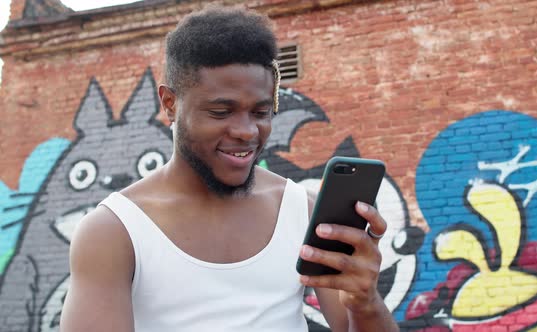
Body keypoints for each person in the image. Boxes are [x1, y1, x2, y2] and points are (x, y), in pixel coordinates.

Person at [60, 6, 399, 332]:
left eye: (260, 112)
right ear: (170, 104)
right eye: (221, 112)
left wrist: (365, 301)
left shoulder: (303, 211)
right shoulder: (114, 232)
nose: (247, 131)